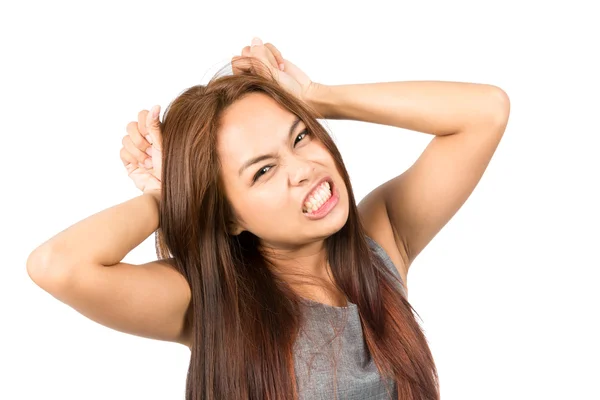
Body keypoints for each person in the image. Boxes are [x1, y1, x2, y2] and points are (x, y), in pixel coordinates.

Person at [26, 37, 510, 400]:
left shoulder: (381, 249)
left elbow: (485, 111)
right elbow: (58, 266)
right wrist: (171, 195)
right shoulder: (210, 298)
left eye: (300, 137)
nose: (304, 171)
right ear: (228, 217)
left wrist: (318, 96)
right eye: (263, 170)